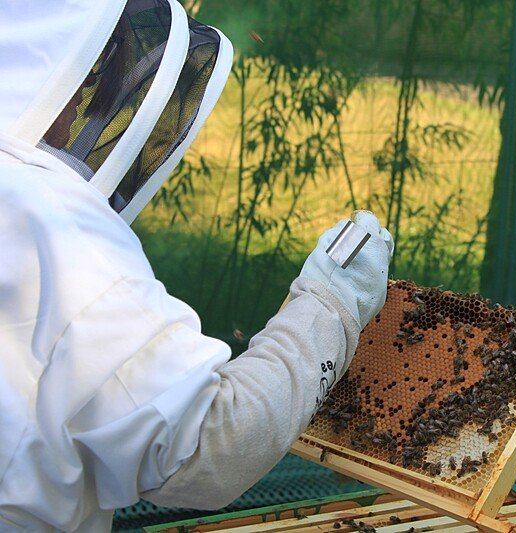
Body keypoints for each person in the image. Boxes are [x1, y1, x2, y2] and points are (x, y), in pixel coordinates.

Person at [0, 1, 393, 531]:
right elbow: (210, 448)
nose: (79, 114)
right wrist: (332, 302)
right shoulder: (46, 219)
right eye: (87, 82)